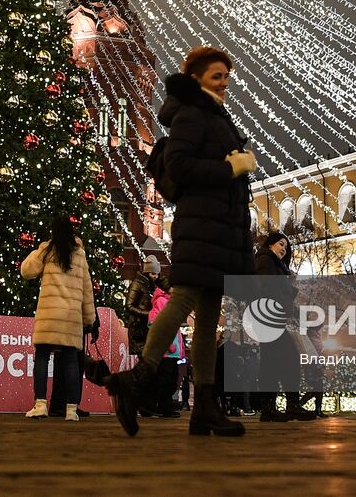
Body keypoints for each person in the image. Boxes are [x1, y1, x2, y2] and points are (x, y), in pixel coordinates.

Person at [105, 46, 256, 437]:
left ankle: (204, 406)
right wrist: (229, 167)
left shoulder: (213, 115)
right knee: (184, 299)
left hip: (219, 228)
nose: (224, 83)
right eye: (215, 76)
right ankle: (137, 379)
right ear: (196, 80)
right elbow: (179, 166)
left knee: (207, 318)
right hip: (201, 228)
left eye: (226, 76)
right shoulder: (192, 114)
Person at [21, 215, 96, 422]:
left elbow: (27, 271)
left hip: (49, 315)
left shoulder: (47, 250)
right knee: (71, 360)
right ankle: (71, 409)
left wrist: (40, 249)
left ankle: (40, 405)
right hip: (71, 316)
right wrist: (89, 318)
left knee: (42, 358)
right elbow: (87, 290)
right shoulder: (80, 255)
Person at [253, 231, 313, 422]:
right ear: (270, 244)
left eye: (286, 247)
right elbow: (268, 288)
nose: (283, 249)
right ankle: (284, 406)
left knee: (275, 362)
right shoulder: (265, 260)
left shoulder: (275, 264)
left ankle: (274, 407)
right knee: (286, 359)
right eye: (280, 244)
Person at [145, 276, 183, 418]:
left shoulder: (171, 302)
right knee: (163, 379)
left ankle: (162, 405)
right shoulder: (162, 302)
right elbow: (157, 323)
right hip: (167, 350)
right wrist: (168, 344)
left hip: (172, 350)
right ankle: (157, 405)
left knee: (170, 379)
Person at [124, 256, 160, 356]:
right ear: (147, 272)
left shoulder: (152, 286)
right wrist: (149, 314)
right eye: (153, 273)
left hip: (147, 327)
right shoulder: (137, 285)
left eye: (157, 274)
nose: (155, 276)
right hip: (139, 328)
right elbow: (129, 306)